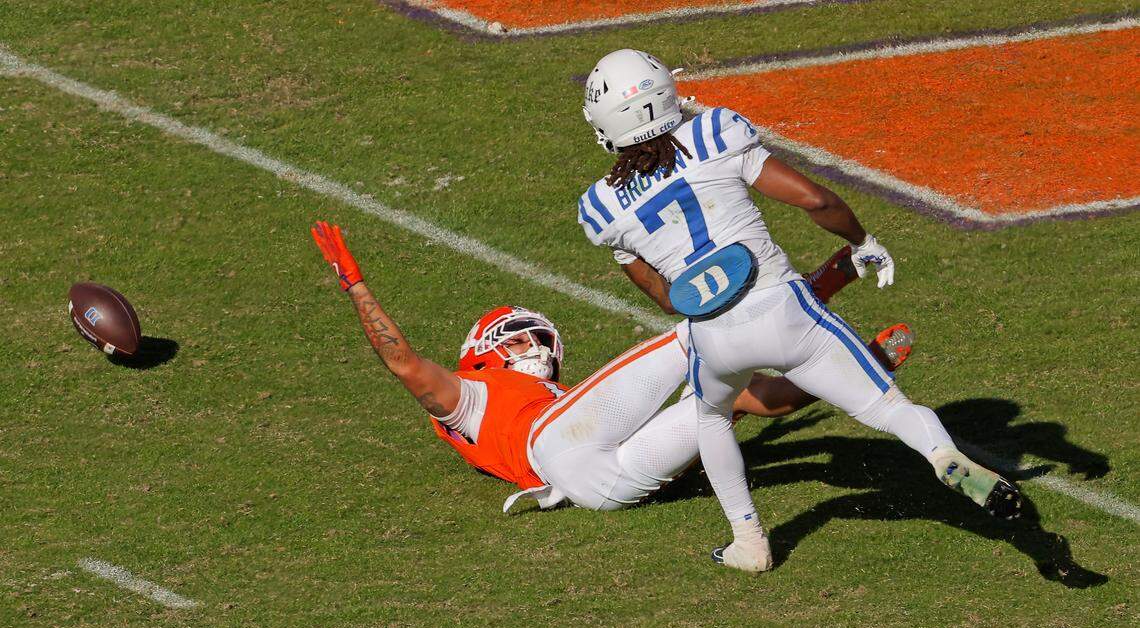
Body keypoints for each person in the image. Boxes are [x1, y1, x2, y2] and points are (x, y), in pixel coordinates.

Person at [578, 49, 1020, 572]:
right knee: (888, 407)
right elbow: (815, 200)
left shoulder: (599, 206)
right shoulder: (714, 132)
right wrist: (862, 240)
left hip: (714, 337)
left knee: (711, 419)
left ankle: (749, 541)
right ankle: (943, 457)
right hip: (785, 309)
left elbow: (663, 294)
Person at [310, 222, 909, 548]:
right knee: (693, 334)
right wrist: (356, 285)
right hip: (553, 446)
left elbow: (766, 401)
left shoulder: (551, 395)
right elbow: (404, 365)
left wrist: (861, 369)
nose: (538, 349)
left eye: (540, 340)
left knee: (722, 400)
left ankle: (862, 366)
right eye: (520, 339)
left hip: (597, 490)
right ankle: (823, 283)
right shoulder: (469, 394)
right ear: (482, 353)